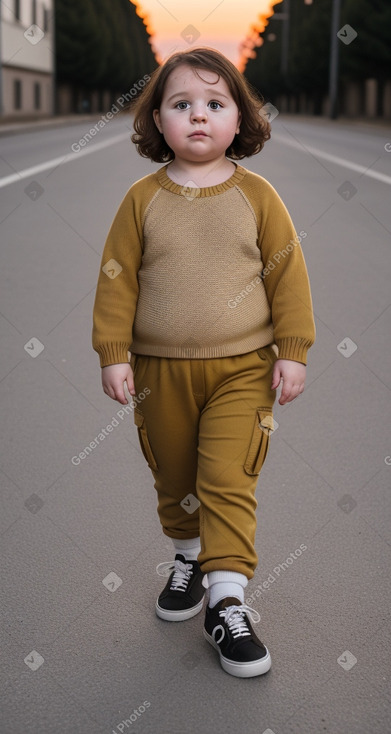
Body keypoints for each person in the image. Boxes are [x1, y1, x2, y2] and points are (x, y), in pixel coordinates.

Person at [92, 47, 315, 678]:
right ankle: (187, 560)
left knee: (227, 478)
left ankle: (227, 599)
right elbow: (117, 280)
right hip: (159, 370)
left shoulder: (258, 196)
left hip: (244, 369)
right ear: (156, 121)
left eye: (215, 104)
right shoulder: (142, 200)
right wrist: (114, 353)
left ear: (239, 119)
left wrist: (292, 350)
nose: (198, 116)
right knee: (176, 477)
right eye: (181, 104)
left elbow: (288, 275)